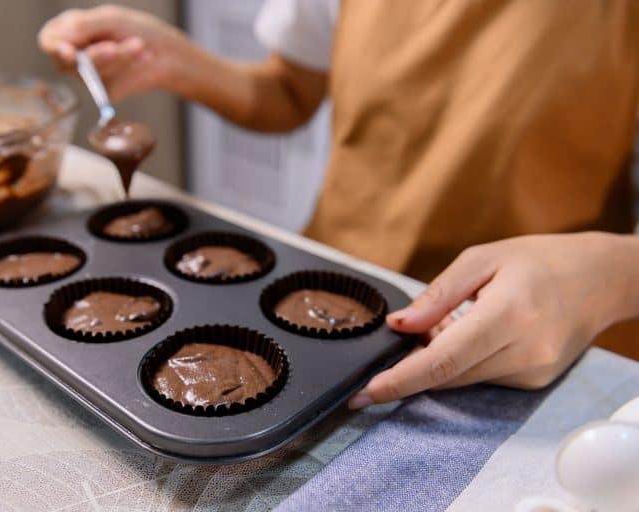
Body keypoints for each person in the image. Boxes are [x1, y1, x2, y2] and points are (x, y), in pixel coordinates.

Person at [38, 1, 639, 409]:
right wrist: (177, 61)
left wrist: (611, 272)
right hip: (330, 287)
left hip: (543, 335)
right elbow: (290, 92)